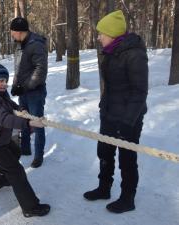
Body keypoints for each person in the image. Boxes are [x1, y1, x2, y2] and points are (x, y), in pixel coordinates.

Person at [83, 10, 148, 214]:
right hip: (110, 114)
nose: (99, 37)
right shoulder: (110, 53)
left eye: (101, 33)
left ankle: (127, 198)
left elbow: (139, 92)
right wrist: (104, 106)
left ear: (112, 33)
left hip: (129, 118)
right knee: (104, 153)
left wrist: (127, 123)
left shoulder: (134, 54)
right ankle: (104, 189)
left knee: (127, 159)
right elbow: (111, 86)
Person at [0, 64, 50, 217]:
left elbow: (8, 105)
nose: (4, 84)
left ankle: (1, 178)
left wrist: (20, 109)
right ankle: (30, 207)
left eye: (5, 80)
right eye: (0, 80)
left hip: (0, 137)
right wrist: (28, 123)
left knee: (15, 151)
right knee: (16, 171)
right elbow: (2, 117)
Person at [10, 17, 48, 168]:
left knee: (37, 123)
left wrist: (25, 86)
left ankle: (38, 155)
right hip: (23, 91)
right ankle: (25, 148)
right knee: (24, 119)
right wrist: (14, 85)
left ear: (19, 31)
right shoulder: (19, 45)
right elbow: (18, 69)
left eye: (13, 32)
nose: (12, 34)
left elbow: (41, 71)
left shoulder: (36, 45)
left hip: (35, 92)